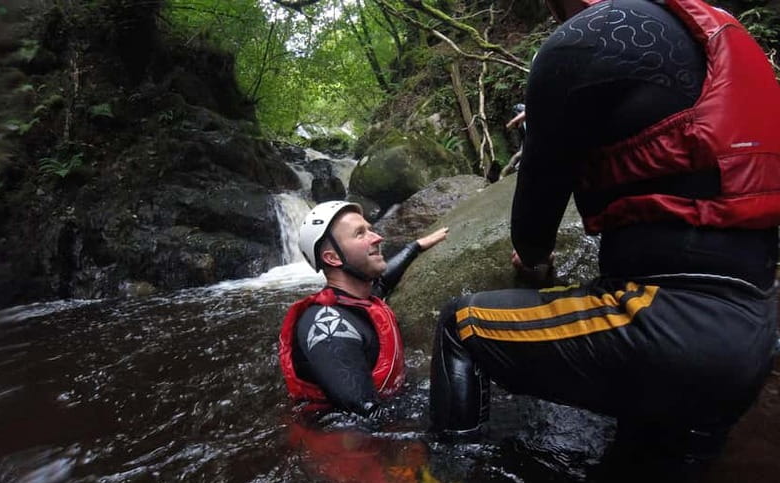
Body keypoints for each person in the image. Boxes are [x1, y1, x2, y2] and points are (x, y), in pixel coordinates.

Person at [429, 0, 780, 457]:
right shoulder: (717, 32)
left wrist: (543, 133)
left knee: (460, 327)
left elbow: (532, 239)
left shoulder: (585, 36)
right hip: (754, 325)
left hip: (667, 324)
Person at [279, 200, 448, 421]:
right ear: (333, 257)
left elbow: (383, 282)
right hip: (350, 447)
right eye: (360, 234)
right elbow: (366, 415)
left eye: (370, 229)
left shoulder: (359, 299)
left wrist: (414, 247)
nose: (378, 237)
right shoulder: (327, 325)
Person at [501, 103, 526, 177]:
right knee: (518, 159)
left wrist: (512, 122)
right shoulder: (521, 124)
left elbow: (527, 111)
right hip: (526, 143)